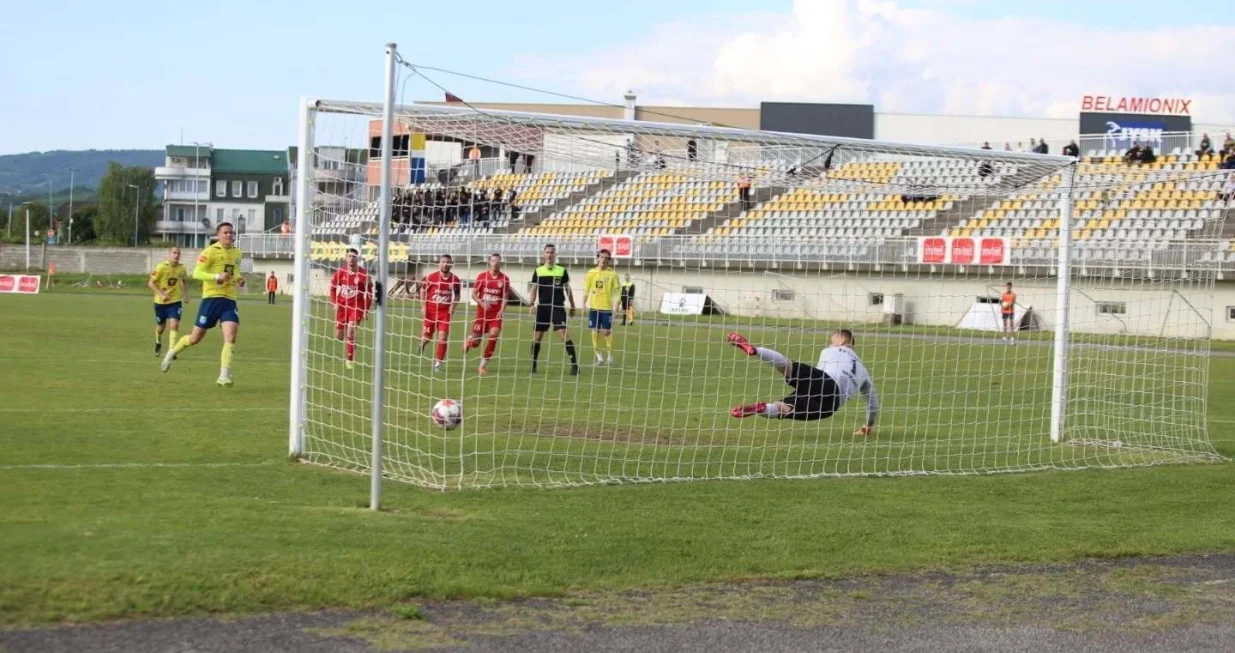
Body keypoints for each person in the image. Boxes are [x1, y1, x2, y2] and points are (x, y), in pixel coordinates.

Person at [726, 330, 878, 435]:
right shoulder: (864, 371)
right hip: (830, 407)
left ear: (842, 340)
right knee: (783, 409)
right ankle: (761, 408)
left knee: (787, 366)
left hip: (826, 382)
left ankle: (755, 350)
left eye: (832, 341)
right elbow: (872, 402)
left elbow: (818, 377)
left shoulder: (830, 351)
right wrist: (868, 425)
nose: (830, 344)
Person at [161, 222, 244, 387]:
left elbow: (235, 272)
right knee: (195, 337)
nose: (229, 235)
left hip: (229, 300)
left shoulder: (237, 253)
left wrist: (239, 279)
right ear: (219, 235)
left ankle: (223, 376)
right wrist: (216, 277)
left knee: (230, 335)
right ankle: (171, 352)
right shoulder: (210, 251)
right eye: (226, 232)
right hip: (211, 299)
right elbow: (197, 273)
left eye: (231, 232)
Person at [529, 243, 579, 375]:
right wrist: (531, 304)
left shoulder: (561, 270)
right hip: (543, 308)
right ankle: (533, 364)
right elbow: (534, 288)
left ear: (555, 255)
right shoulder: (538, 271)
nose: (549, 255)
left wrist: (572, 305)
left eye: (552, 252)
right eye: (547, 252)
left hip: (558, 307)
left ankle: (574, 365)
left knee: (563, 333)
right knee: (537, 336)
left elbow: (567, 289)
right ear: (543, 255)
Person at [463, 253, 511, 375]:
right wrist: (481, 302)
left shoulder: (504, 279)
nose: (495, 263)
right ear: (489, 262)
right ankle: (469, 341)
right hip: (481, 314)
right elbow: (473, 294)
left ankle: (482, 366)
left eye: (498, 261)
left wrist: (501, 310)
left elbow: (505, 298)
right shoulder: (482, 276)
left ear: (500, 263)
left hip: (495, 315)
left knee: (494, 335)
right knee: (476, 343)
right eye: (493, 261)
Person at [330, 248, 372, 370]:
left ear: (357, 258)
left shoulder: (364, 275)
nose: (351, 258)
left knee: (351, 331)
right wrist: (334, 303)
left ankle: (349, 360)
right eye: (349, 256)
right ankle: (351, 344)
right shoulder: (340, 273)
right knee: (339, 336)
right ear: (346, 258)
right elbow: (332, 289)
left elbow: (369, 295)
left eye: (354, 256)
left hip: (356, 307)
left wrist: (365, 310)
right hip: (342, 307)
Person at [420, 254, 461, 373]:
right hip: (431, 312)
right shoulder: (431, 277)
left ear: (451, 264)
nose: (445, 264)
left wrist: (453, 306)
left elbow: (457, 295)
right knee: (426, 339)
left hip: (444, 313)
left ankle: (438, 364)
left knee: (443, 337)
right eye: (443, 261)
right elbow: (423, 290)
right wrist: (423, 307)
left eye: (448, 262)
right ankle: (422, 344)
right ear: (439, 263)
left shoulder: (455, 280)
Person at [147, 246, 190, 358]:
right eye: (174, 253)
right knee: (161, 327)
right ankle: (158, 341)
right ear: (169, 254)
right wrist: (161, 294)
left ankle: (171, 350)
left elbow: (185, 281)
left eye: (178, 253)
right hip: (160, 303)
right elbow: (151, 283)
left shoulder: (182, 269)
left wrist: (185, 295)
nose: (176, 255)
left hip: (175, 301)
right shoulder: (161, 267)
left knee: (174, 324)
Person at [582, 249, 621, 366]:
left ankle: (609, 355)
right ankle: (599, 356)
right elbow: (586, 290)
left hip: (607, 308)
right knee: (594, 331)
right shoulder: (591, 273)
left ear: (609, 260)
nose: (604, 260)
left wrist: (616, 307)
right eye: (602, 257)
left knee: (607, 332)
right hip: (594, 308)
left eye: (606, 258)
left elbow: (617, 292)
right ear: (598, 258)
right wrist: (583, 304)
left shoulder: (613, 274)